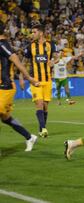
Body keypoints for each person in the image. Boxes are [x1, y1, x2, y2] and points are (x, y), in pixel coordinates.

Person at [0, 23, 39, 151]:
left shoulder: (2, 44)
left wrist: (28, 78)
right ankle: (29, 137)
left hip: (5, 87)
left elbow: (16, 60)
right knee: (6, 118)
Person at [24, 24, 57, 138]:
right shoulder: (30, 46)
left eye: (34, 32)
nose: (32, 34)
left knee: (45, 107)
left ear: (41, 33)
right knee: (39, 103)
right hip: (35, 80)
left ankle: (41, 127)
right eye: (32, 32)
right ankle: (43, 128)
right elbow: (24, 62)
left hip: (47, 80)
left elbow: (57, 57)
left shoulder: (51, 44)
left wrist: (54, 61)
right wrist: (24, 77)